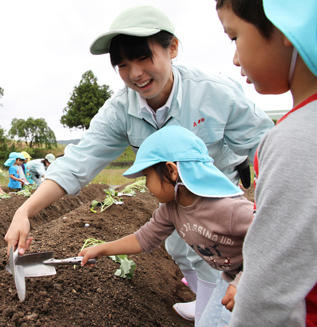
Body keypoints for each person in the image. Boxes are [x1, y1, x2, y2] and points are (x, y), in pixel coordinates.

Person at [4, 5, 273, 322]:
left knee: (217, 251)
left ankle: (217, 307)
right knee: (178, 246)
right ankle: (205, 296)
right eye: (122, 64)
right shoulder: (120, 111)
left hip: (216, 188)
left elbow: (269, 147)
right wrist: (25, 211)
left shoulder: (215, 94)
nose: (134, 73)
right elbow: (78, 161)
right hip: (176, 193)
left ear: (171, 48)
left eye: (144, 58)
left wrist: (248, 170)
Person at [79, 126, 254, 326]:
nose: (145, 185)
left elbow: (274, 242)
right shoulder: (172, 209)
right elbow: (143, 238)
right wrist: (102, 249)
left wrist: (244, 282)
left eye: (147, 176)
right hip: (230, 278)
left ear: (171, 171)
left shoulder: (229, 209)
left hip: (260, 276)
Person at [214, 0, 317, 325]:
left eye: (234, 37)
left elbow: (269, 293)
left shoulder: (295, 140)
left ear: (286, 24)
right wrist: (244, 279)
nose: (234, 59)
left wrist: (249, 290)